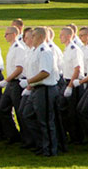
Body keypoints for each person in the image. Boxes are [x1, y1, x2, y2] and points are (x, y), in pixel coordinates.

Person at [21, 27, 60, 156]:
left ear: (40, 37)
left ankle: (49, 149)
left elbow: (45, 72)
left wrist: (28, 82)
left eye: (33, 36)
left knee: (46, 121)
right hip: (36, 89)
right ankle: (41, 144)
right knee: (27, 115)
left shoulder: (44, 51)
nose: (31, 38)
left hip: (45, 89)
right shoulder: (35, 51)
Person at [0, 25, 27, 144]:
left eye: (7, 34)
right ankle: (13, 135)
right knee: (2, 109)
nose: (5, 36)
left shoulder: (18, 48)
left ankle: (26, 137)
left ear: (14, 34)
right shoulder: (12, 48)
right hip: (11, 82)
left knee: (19, 111)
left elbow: (19, 68)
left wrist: (7, 80)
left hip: (16, 82)